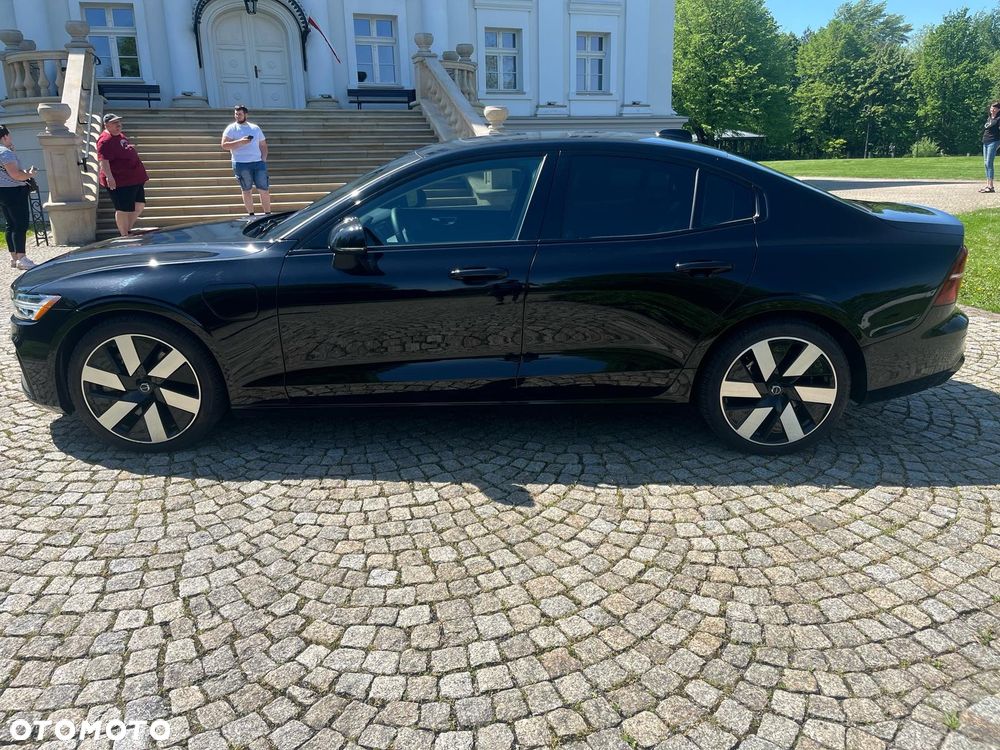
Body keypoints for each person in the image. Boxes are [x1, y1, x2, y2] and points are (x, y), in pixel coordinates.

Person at [97, 113, 149, 235]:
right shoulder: (105, 140)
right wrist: (110, 177)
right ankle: (124, 235)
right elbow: (103, 161)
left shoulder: (119, 135)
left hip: (134, 178)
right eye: (115, 123)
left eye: (119, 122)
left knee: (139, 205)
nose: (118, 125)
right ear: (107, 125)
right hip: (120, 181)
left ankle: (127, 230)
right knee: (123, 209)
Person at [0, 124, 38, 270]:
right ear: (4, 136)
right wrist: (30, 174)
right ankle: (22, 257)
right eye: (9, 135)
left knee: (10, 224)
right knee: (20, 224)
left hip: (2, 191)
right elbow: (15, 174)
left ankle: (14, 258)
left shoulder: (6, 152)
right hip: (14, 190)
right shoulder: (5, 153)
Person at [221, 105, 271, 217]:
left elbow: (263, 144)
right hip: (241, 163)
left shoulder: (255, 128)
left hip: (258, 163)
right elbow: (224, 145)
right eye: (236, 114)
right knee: (246, 189)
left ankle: (267, 214)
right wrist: (240, 142)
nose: (237, 116)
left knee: (264, 189)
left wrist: (264, 158)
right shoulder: (231, 128)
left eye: (240, 114)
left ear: (246, 115)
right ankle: (251, 215)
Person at [981, 101, 1000, 193]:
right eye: (992, 107)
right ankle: (987, 185)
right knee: (986, 163)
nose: (993, 109)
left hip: (993, 141)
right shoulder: (989, 118)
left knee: (989, 163)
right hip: (985, 141)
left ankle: (991, 186)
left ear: (998, 109)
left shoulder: (998, 119)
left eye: (995, 108)